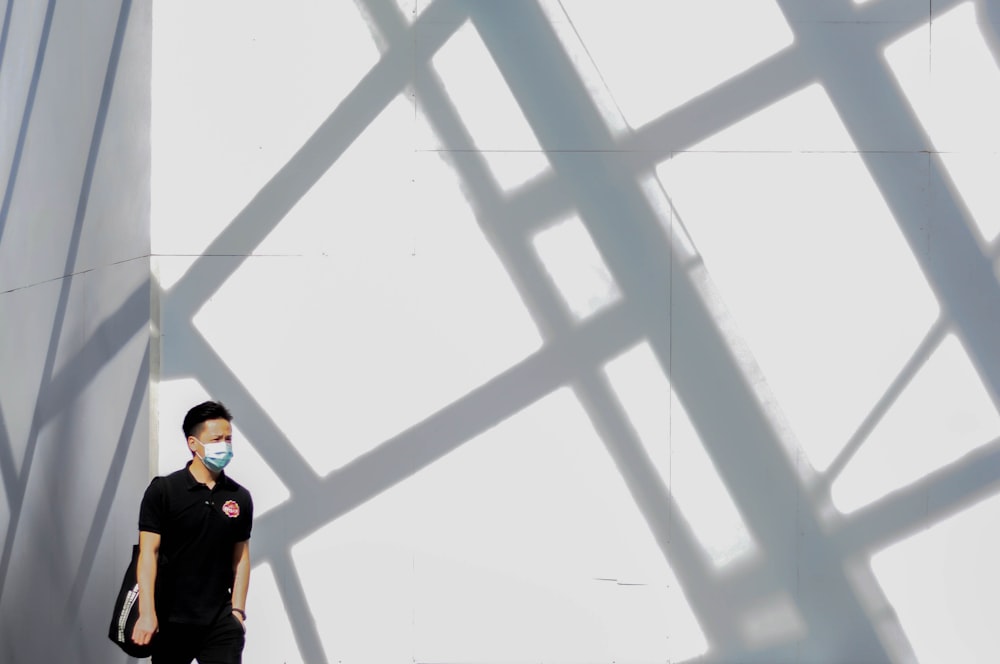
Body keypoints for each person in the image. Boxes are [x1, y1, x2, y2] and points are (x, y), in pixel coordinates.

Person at [131, 401, 254, 663]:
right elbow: (148, 554)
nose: (225, 445)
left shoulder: (239, 497)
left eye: (229, 438)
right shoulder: (164, 491)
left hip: (220, 621)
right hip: (171, 619)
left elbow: (241, 558)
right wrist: (147, 613)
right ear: (193, 443)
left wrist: (238, 613)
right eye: (217, 438)